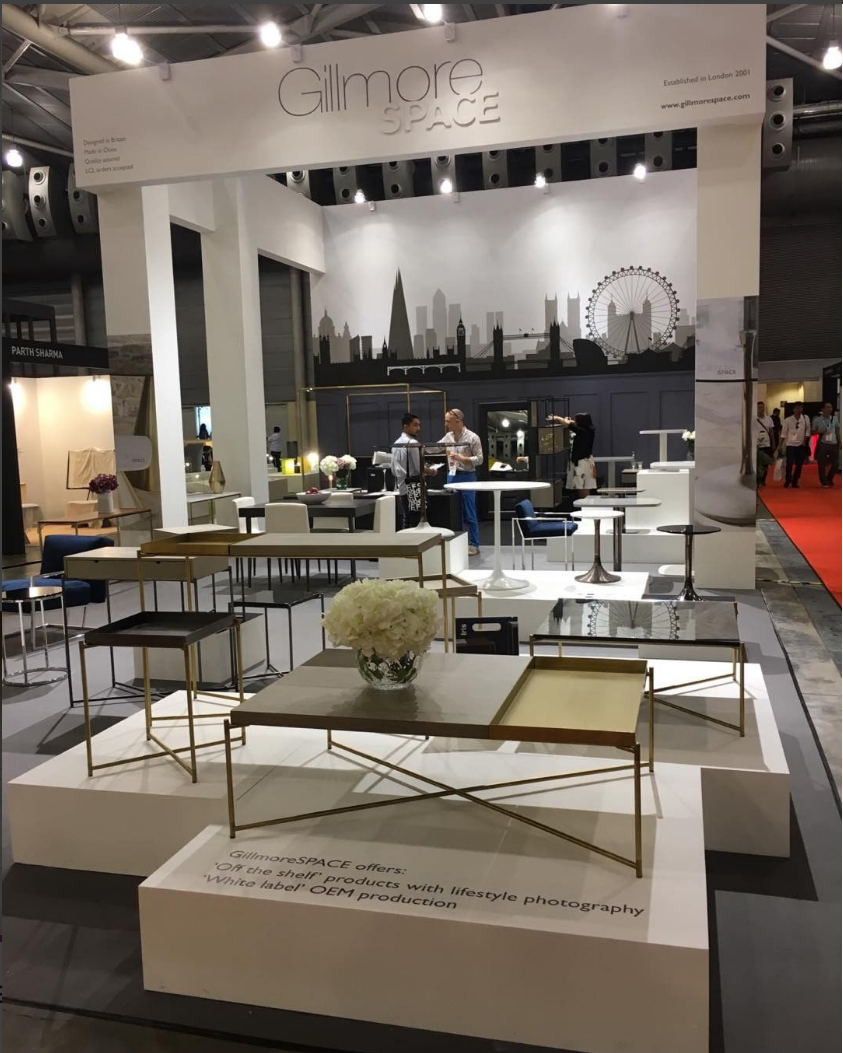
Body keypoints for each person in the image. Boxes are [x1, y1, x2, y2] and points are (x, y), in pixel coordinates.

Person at [439, 408, 483, 555]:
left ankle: (474, 544)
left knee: (469, 511)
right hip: (451, 476)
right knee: (452, 511)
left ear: (457, 421)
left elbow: (480, 459)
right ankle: (456, 544)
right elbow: (437, 448)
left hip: (467, 476)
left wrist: (463, 458)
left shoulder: (473, 437)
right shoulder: (448, 437)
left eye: (448, 421)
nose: (446, 424)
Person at [392, 413, 434, 530]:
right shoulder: (413, 443)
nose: (418, 428)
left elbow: (393, 469)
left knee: (407, 518)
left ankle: (404, 541)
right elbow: (419, 468)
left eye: (419, 425)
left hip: (401, 485)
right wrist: (432, 471)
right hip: (415, 486)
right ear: (405, 426)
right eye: (415, 425)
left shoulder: (396, 443)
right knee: (417, 521)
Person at [547, 412, 597, 498]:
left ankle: (584, 503)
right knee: (585, 486)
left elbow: (568, 424)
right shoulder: (589, 430)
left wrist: (557, 418)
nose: (575, 422)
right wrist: (567, 420)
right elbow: (571, 423)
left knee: (581, 486)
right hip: (587, 461)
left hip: (581, 463)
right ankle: (585, 503)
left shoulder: (581, 431)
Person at [779, 402, 810, 488]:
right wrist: (780, 445)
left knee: (799, 464)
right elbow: (783, 433)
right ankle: (788, 479)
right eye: (797, 408)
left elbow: (808, 430)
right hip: (790, 444)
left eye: (801, 408)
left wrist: (805, 441)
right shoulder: (788, 420)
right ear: (793, 409)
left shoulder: (805, 418)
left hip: (801, 444)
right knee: (789, 463)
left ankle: (795, 480)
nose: (799, 410)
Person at [812, 402, 841, 488]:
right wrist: (820, 431)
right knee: (822, 463)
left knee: (836, 463)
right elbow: (813, 432)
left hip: (833, 443)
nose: (830, 409)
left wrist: (839, 442)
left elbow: (837, 431)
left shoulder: (835, 418)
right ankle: (824, 481)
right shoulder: (817, 419)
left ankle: (829, 478)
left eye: (830, 407)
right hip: (823, 443)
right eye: (827, 407)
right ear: (823, 409)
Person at [755, 401, 774, 487]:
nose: (761, 409)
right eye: (759, 407)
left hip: (766, 444)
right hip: (757, 445)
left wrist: (773, 443)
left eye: (762, 407)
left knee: (765, 463)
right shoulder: (753, 419)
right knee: (757, 464)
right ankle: (757, 480)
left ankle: (762, 480)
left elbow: (771, 432)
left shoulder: (769, 419)